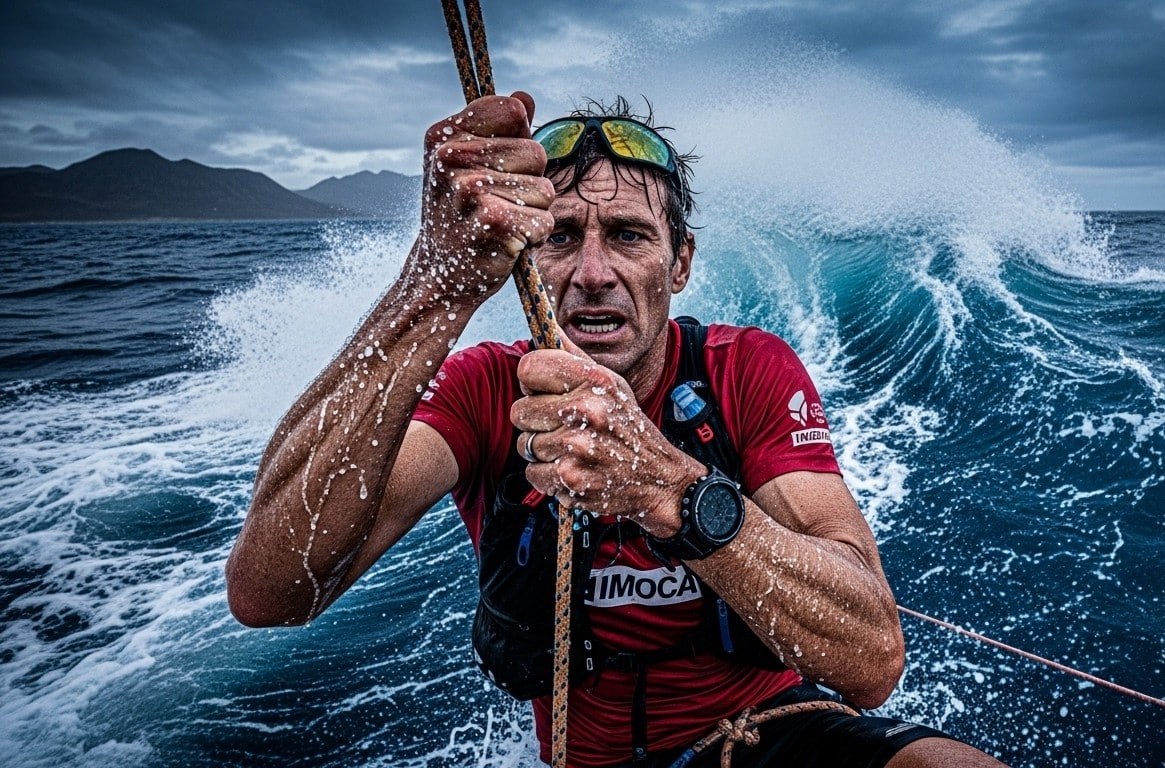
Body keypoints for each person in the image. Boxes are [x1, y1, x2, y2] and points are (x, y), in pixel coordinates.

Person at [226, 91, 1005, 768]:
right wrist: (434, 283)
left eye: (629, 235)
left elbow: (873, 662)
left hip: (761, 733)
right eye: (560, 237)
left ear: (680, 263)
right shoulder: (484, 390)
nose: (593, 273)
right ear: (526, 263)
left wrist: (670, 489)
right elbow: (270, 590)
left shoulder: (745, 371)